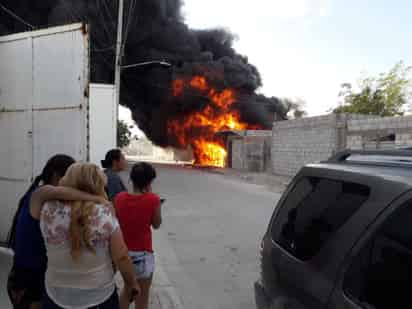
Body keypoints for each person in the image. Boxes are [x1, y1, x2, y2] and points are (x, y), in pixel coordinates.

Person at [7, 154, 107, 309]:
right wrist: (98, 199)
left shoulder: (39, 197)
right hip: (29, 281)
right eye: (68, 179)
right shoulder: (41, 193)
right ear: (56, 176)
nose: (71, 185)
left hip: (27, 275)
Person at [35, 163, 140, 309]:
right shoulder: (104, 213)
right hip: (98, 295)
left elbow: (44, 191)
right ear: (98, 185)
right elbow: (121, 256)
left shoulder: (46, 208)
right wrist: (131, 284)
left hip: (56, 294)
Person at [114, 162, 162, 309]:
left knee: (127, 290)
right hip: (142, 254)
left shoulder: (119, 198)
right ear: (149, 181)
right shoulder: (153, 199)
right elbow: (156, 224)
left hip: (122, 253)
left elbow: (116, 221)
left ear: (132, 179)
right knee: (142, 295)